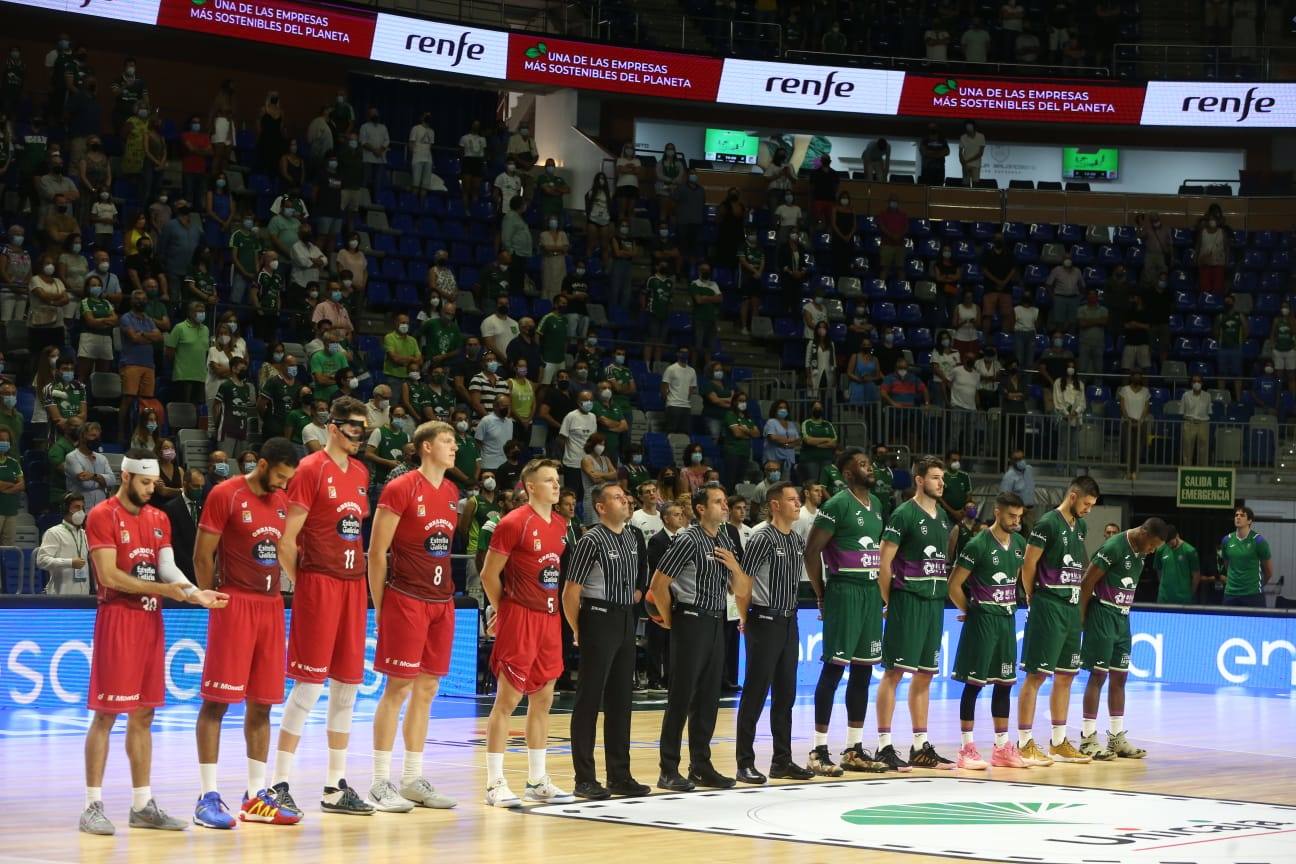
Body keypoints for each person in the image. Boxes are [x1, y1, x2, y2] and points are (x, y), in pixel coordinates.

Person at [79, 450, 227, 835]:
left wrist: (195, 593)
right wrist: (164, 590)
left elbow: (167, 567)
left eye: (153, 482)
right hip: (118, 620)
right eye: (145, 482)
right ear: (126, 476)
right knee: (106, 714)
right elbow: (110, 576)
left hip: (150, 620)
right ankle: (92, 804)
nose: (151, 488)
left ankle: (142, 805)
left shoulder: (159, 517)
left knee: (144, 714)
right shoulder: (102, 515)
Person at [272, 397, 375, 816]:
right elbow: (285, 540)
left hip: (353, 586)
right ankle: (280, 783)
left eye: (364, 428)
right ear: (332, 426)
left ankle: (335, 786)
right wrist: (307, 585)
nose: (360, 435)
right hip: (320, 584)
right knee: (309, 685)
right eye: (354, 427)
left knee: (348, 685)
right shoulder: (310, 469)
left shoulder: (363, 472)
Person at [192, 438, 301, 828]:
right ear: (263, 464)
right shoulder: (226, 494)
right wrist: (209, 597)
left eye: (289, 480)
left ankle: (256, 796)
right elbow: (203, 554)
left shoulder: (282, 502)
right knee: (217, 702)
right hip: (233, 602)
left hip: (271, 605)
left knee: (263, 703)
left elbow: (283, 550)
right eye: (281, 477)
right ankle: (206, 796)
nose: (284, 485)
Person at [364, 421, 461, 812]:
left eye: (454, 441)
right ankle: (378, 782)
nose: (454, 447)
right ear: (425, 447)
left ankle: (411, 779)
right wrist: (381, 607)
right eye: (447, 440)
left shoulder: (453, 492)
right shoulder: (401, 487)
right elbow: (375, 552)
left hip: (442, 600)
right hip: (406, 597)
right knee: (398, 688)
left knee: (427, 690)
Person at [480, 458, 574, 807]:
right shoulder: (513, 522)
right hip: (520, 616)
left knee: (544, 699)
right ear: (530, 486)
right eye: (548, 480)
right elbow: (490, 574)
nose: (556, 485)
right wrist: (504, 611)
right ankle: (494, 783)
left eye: (557, 480)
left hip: (549, 619)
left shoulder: (562, 524)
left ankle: (537, 780)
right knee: (507, 701)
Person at [652, 483, 749, 792]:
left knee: (708, 698)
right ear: (701, 509)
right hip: (690, 619)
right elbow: (658, 584)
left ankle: (701, 765)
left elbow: (742, 589)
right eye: (718, 502)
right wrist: (670, 618)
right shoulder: (687, 539)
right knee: (681, 697)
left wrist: (734, 567)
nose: (725, 506)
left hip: (716, 620)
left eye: (725, 501)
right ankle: (668, 768)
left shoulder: (724, 539)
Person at [563, 482, 652, 799]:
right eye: (617, 497)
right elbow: (571, 592)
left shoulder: (633, 537)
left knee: (620, 700)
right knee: (589, 700)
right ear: (601, 507)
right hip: (597, 617)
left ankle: (619, 775)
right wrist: (577, 628)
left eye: (626, 497)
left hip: (625, 617)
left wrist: (636, 597)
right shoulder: (591, 540)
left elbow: (641, 580)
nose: (626, 501)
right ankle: (584, 778)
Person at [803, 449, 890, 775]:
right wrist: (823, 593)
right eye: (863, 465)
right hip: (844, 591)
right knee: (834, 671)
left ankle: (853, 749)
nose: (870, 468)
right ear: (849, 474)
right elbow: (811, 552)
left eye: (870, 464)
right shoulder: (837, 504)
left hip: (869, 592)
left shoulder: (878, 505)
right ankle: (818, 749)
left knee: (864, 671)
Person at [874, 457, 957, 771]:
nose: (941, 483)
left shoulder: (942, 518)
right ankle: (884, 745)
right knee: (894, 673)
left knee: (925, 675)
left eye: (942, 479)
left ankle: (921, 746)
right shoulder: (904, 513)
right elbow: (884, 561)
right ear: (919, 480)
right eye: (935, 478)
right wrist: (888, 601)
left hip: (934, 604)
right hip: (907, 601)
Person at [733, 482, 815, 784]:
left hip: (789, 620)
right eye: (793, 500)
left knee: (786, 693)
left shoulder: (795, 539)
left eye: (799, 499)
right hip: (763, 619)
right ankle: (744, 762)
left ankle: (782, 760)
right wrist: (745, 618)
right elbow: (743, 583)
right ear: (775, 505)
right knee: (755, 693)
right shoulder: (761, 537)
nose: (798, 504)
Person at [1017, 474, 1101, 767]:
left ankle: (1058, 742)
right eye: (1087, 504)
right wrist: (1032, 596)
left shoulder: (1081, 526)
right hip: (1048, 604)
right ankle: (1024, 742)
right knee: (1037, 675)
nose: (1089, 509)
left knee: (1066, 675)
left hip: (1071, 607)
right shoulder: (1047, 524)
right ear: (1074, 496)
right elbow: (1028, 564)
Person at [948, 492, 1029, 770]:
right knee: (974, 685)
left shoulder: (1019, 544)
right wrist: (969, 611)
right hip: (982, 621)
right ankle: (966, 748)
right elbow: (954, 584)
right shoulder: (978, 544)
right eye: (1011, 516)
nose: (1016, 521)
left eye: (1019, 517)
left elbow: (1017, 577)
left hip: (1006, 620)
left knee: (1005, 683)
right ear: (997, 512)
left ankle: (1002, 747)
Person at [1078, 518, 1170, 760]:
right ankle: (1088, 739)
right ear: (1143, 532)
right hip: (1103, 614)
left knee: (1120, 676)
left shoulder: (1141, 551)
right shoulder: (1114, 547)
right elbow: (1087, 583)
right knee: (1098, 675)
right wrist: (1082, 620)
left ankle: (1116, 738)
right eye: (1152, 545)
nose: (1152, 551)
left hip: (1122, 616)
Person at [1216, 506, 1272, 608]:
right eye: (1236, 515)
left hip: (1253, 594)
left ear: (1249, 521)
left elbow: (1268, 572)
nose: (1238, 517)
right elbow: (1227, 564)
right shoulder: (1226, 540)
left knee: (1256, 623)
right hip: (1231, 593)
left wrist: (1256, 585)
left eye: (1242, 515)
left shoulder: (1259, 541)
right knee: (1228, 623)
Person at [37, 492, 90, 595]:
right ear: (65, 509)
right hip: (60, 596)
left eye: (82, 508)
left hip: (84, 595)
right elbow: (42, 560)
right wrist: (69, 562)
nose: (81, 511)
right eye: (76, 507)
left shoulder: (84, 534)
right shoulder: (54, 533)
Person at [1153, 525, 1201, 605]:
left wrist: (1190, 594)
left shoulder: (1190, 551)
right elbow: (1159, 570)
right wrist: (1163, 587)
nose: (1169, 545)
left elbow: (1196, 575)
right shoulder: (1160, 550)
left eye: (1171, 542)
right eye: (1166, 542)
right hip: (1164, 598)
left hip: (1183, 599)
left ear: (1177, 535)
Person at [1181, 374, 1211, 466]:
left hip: (1203, 423)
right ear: (1191, 383)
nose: (1196, 383)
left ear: (1202, 383)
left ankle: (1203, 470)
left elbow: (1208, 411)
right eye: (1194, 381)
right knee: (1187, 449)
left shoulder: (1207, 395)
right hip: (1189, 423)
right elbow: (1182, 411)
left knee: (1203, 450)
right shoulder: (1185, 395)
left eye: (1199, 381)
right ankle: (1186, 470)